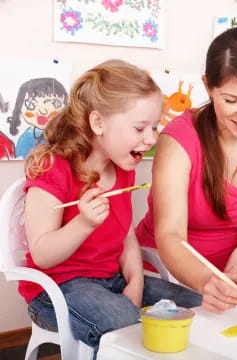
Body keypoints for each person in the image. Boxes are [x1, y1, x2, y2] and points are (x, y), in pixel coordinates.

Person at [20, 59, 202, 357]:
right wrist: (83, 224)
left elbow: (124, 233)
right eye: (140, 128)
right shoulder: (52, 167)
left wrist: (136, 280)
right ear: (98, 123)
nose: (151, 138)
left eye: (155, 127)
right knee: (123, 325)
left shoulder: (122, 167)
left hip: (111, 281)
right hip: (56, 289)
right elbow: (42, 254)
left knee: (194, 304)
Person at [136, 27, 237, 313]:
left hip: (228, 280)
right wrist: (206, 281)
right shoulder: (178, 139)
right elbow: (170, 235)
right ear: (208, 86)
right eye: (231, 100)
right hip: (161, 273)